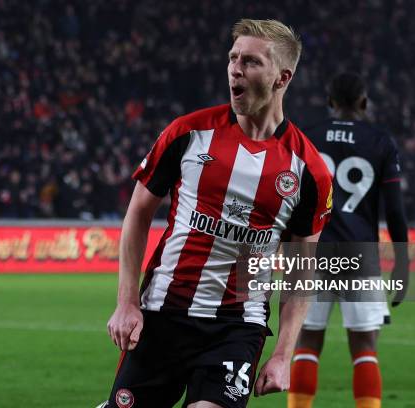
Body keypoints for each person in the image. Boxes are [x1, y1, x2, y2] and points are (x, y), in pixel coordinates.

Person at [101, 19, 332, 408]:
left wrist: (282, 354)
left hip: (237, 326)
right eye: (232, 58)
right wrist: (127, 302)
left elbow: (300, 270)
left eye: (251, 62)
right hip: (164, 313)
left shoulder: (308, 170)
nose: (236, 69)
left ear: (283, 77)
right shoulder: (187, 134)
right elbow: (138, 213)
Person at [287, 72, 409, 408]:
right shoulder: (380, 141)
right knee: (365, 347)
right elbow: (395, 211)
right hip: (360, 255)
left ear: (329, 103)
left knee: (307, 342)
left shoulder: (306, 137)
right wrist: (402, 263)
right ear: (364, 103)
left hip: (311, 252)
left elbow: (288, 201)